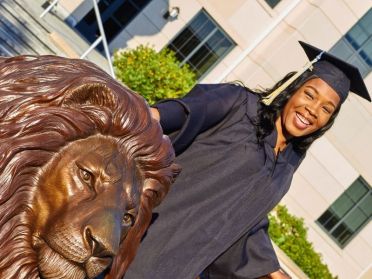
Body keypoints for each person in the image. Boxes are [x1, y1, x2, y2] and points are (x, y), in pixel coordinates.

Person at [123, 41, 371, 279]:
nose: (313, 109)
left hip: (179, 266)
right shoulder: (240, 105)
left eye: (327, 109)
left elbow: (246, 220)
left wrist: (273, 270)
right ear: (292, 88)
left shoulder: (289, 162)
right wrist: (148, 114)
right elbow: (189, 111)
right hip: (140, 238)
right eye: (309, 95)